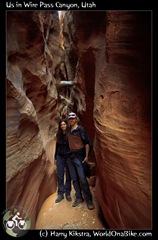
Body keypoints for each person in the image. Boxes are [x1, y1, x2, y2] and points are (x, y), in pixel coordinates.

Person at [67, 112, 95, 210]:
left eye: (73, 118)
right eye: (70, 118)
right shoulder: (68, 130)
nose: (71, 120)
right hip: (71, 156)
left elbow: (86, 143)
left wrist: (86, 157)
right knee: (74, 179)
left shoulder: (80, 129)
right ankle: (79, 197)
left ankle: (89, 200)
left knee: (82, 179)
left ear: (76, 119)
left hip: (79, 155)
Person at [55, 119, 72, 203]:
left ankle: (68, 193)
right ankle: (60, 193)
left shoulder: (70, 133)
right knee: (60, 175)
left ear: (67, 125)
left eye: (64, 124)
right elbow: (56, 146)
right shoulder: (58, 134)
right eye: (61, 125)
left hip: (68, 156)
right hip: (60, 156)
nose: (63, 126)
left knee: (68, 175)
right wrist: (55, 157)